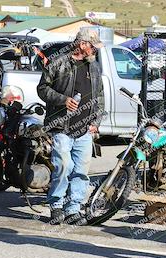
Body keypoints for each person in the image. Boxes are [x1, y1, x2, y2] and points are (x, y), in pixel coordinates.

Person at [37, 28, 103, 226]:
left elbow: (100, 96)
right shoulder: (59, 62)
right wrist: (62, 100)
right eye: (93, 47)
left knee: (81, 172)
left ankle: (74, 208)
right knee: (63, 167)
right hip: (61, 127)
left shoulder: (94, 67)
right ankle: (56, 206)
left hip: (85, 129)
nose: (95, 51)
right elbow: (42, 89)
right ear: (82, 45)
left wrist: (95, 122)